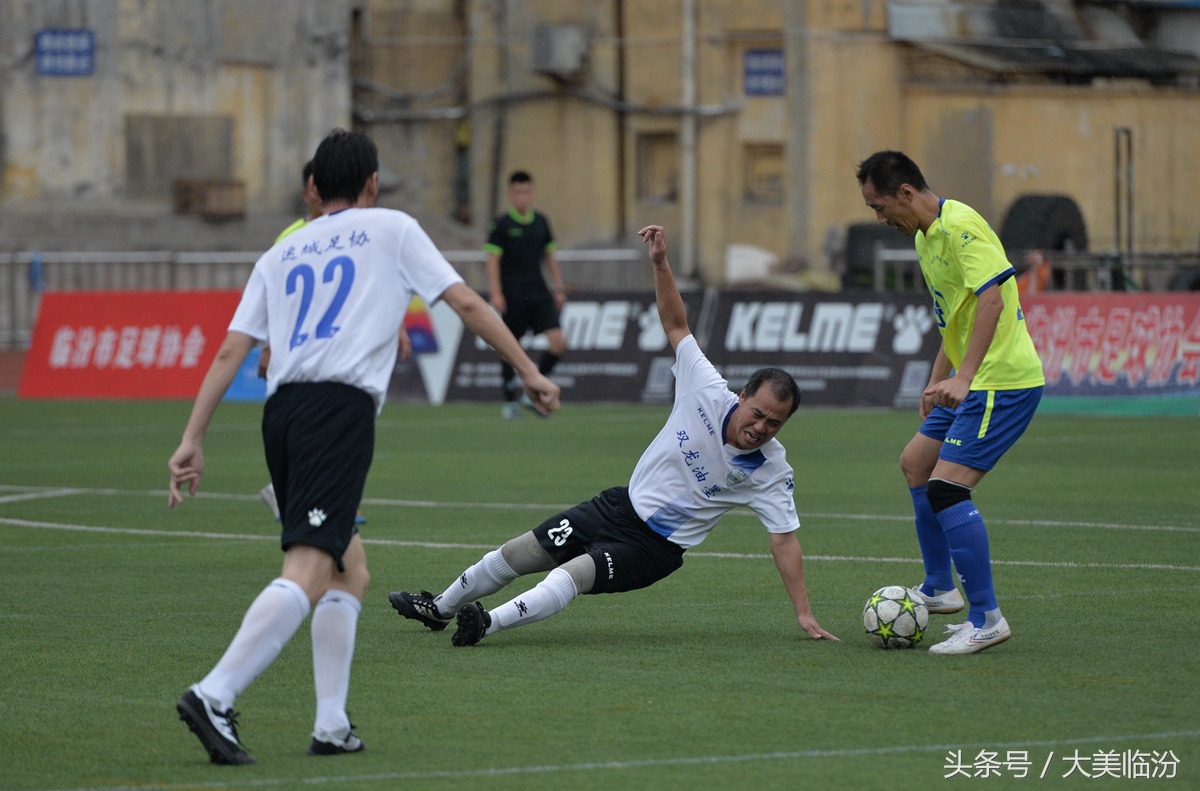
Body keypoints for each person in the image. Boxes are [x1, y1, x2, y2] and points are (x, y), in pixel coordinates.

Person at [168, 129, 560, 766]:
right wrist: (529, 370)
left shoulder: (283, 252)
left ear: (314, 188)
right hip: (336, 412)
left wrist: (192, 439)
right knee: (310, 568)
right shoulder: (392, 228)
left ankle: (331, 724)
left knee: (350, 569)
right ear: (373, 184)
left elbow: (230, 352)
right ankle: (215, 693)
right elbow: (464, 300)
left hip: (283, 414)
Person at [388, 224, 837, 647]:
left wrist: (803, 612)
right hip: (617, 505)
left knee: (573, 574)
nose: (761, 428)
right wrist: (660, 263)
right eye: (758, 414)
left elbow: (784, 539)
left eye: (774, 424)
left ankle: (487, 623)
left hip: (653, 548)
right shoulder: (705, 388)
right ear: (742, 396)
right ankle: (440, 607)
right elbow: (677, 325)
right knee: (521, 551)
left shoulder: (771, 470)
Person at [856, 150, 1044, 655]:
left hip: (998, 382)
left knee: (946, 490)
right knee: (916, 463)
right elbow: (954, 317)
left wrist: (963, 376)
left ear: (906, 193)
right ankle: (940, 587)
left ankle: (987, 619)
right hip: (967, 380)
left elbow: (992, 299)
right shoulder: (923, 236)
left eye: (879, 206)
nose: (878, 218)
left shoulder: (962, 228)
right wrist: (936, 379)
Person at [256, 160, 400, 526]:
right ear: (307, 193)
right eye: (312, 188)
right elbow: (282, 302)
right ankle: (325, 507)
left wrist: (394, 327)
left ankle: (319, 503)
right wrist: (269, 346)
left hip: (344, 349)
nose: (317, 194)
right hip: (307, 358)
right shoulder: (291, 240)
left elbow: (367, 289)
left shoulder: (355, 234)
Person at [485, 170, 568, 419]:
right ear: (511, 194)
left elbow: (550, 257)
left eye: (527, 191)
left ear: (532, 193)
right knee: (509, 346)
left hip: (539, 292)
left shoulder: (541, 221)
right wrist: (496, 292)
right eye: (518, 192)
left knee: (558, 342)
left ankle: (531, 390)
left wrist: (559, 287)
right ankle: (510, 401)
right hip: (513, 294)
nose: (523, 197)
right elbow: (492, 260)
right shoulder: (502, 224)